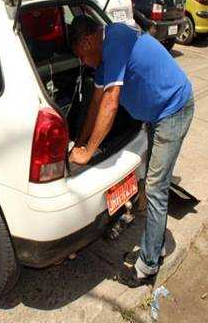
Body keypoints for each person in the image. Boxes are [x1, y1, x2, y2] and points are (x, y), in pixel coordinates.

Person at [68, 15, 194, 287]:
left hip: (173, 110)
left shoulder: (115, 40)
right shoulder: (104, 53)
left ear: (89, 40)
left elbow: (111, 103)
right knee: (152, 182)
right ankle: (155, 244)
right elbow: (96, 103)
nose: (83, 62)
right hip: (157, 114)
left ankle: (146, 268)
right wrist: (79, 141)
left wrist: (89, 153)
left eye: (81, 55)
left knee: (156, 187)